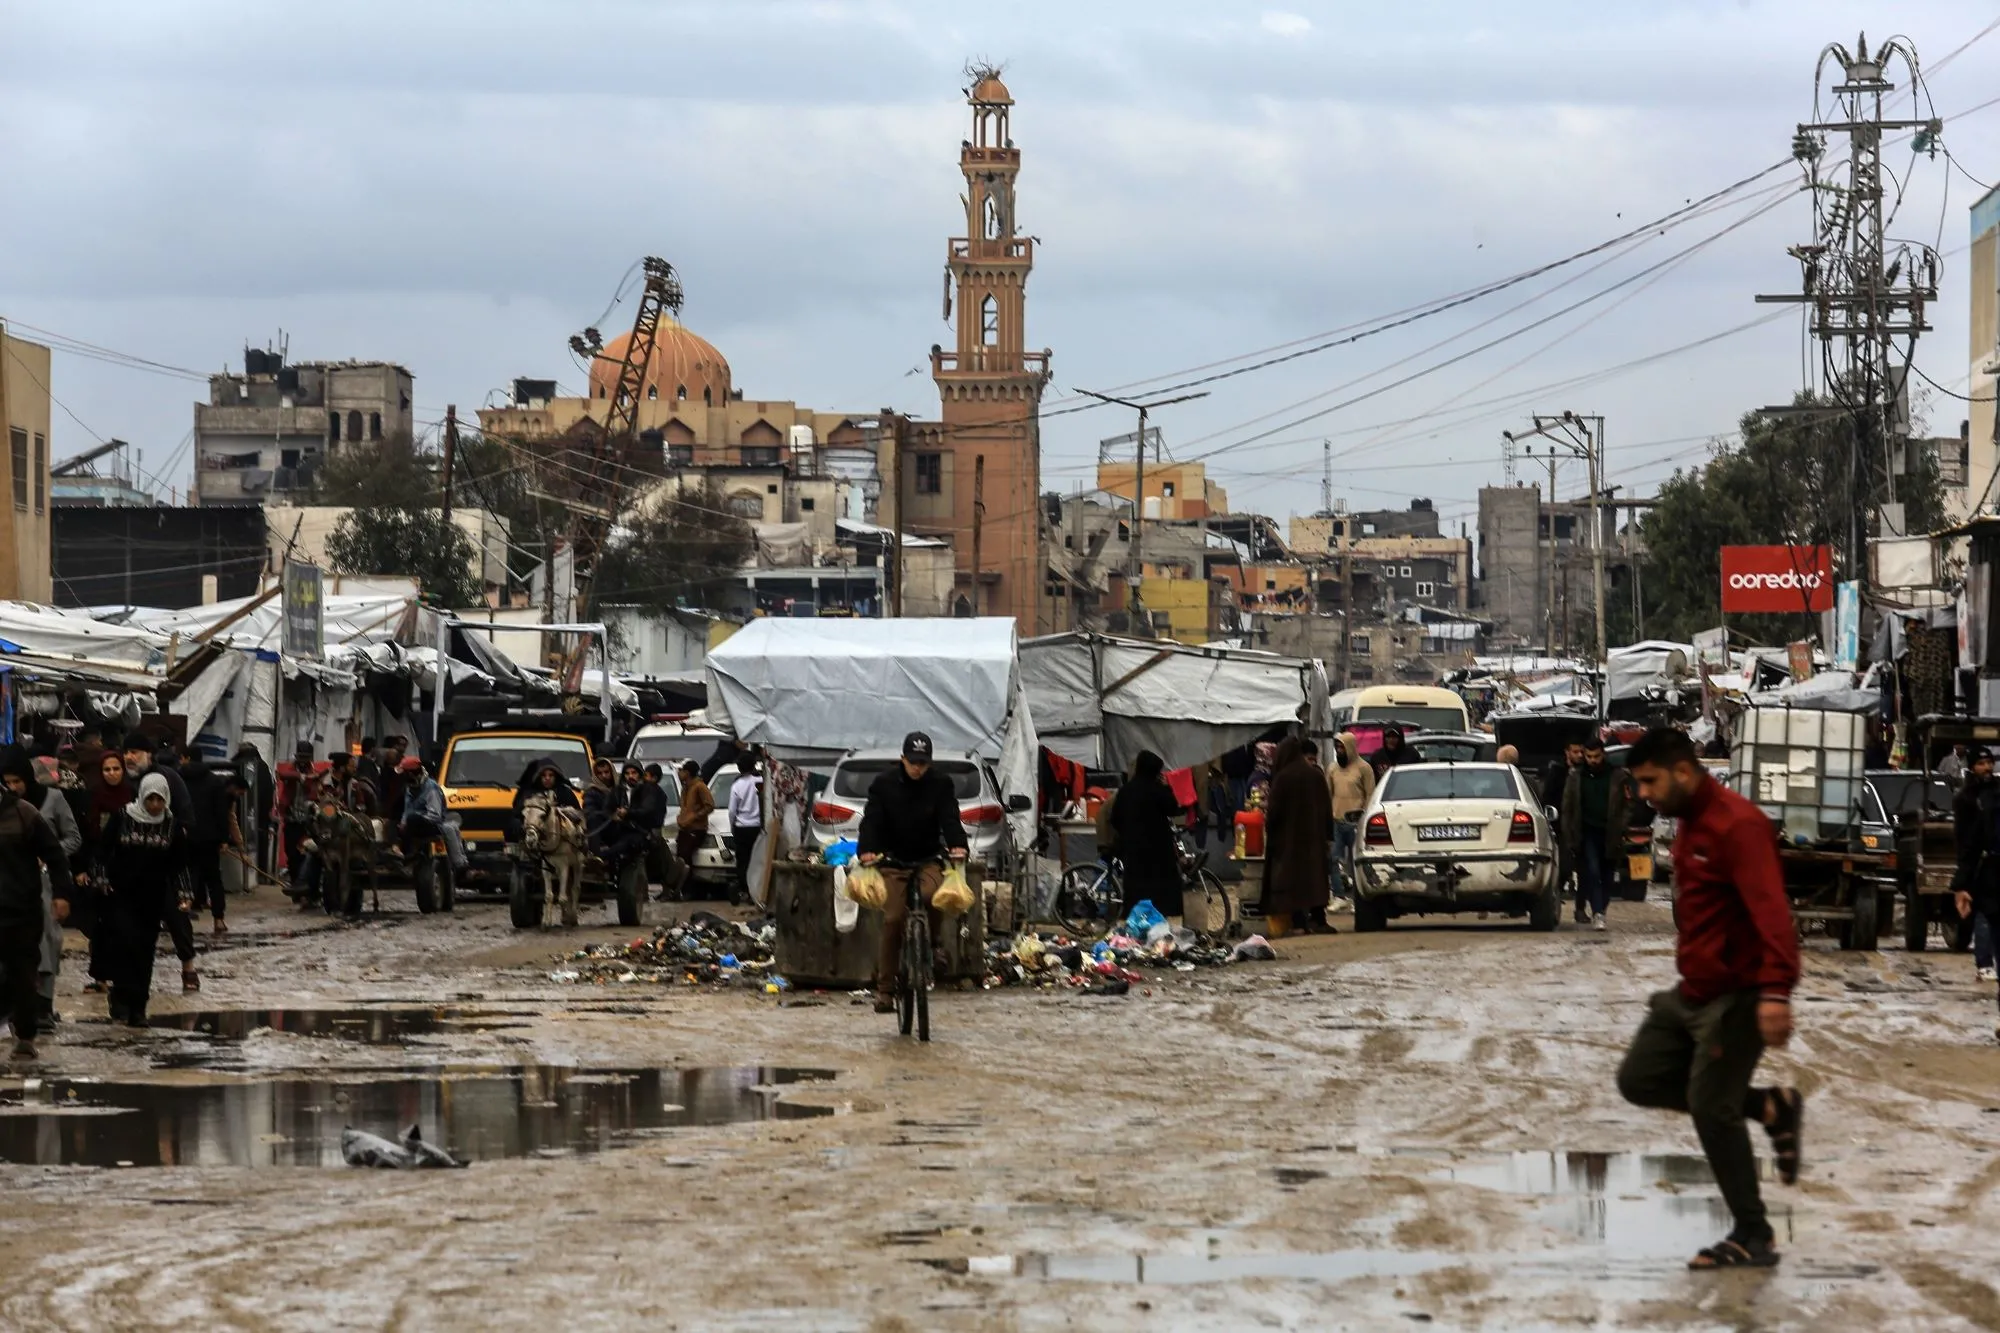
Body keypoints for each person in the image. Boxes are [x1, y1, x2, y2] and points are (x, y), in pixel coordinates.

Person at [1617, 727, 1804, 1270]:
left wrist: (1775, 992)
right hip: (1691, 992)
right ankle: (1770, 1107)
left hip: (1738, 996)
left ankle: (1754, 1234)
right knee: (1639, 1079)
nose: (1645, 794)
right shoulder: (1688, 823)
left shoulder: (1737, 825)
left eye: (1650, 781)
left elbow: (1773, 913)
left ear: (1682, 770)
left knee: (1711, 1109)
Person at [856, 732, 969, 1014]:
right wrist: (867, 849)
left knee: (933, 896)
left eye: (923, 763)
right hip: (893, 862)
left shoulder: (941, 784)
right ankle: (885, 990)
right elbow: (871, 820)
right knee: (893, 920)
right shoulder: (883, 785)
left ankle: (932, 945)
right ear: (902, 759)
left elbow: (950, 818)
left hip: (928, 860)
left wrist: (958, 845)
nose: (918, 768)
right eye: (913, 762)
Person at [93, 772, 188, 1029]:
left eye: (159, 800)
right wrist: (101, 880)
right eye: (151, 799)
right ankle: (120, 997)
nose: (155, 805)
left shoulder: (172, 826)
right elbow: (102, 851)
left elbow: (179, 865)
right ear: (142, 796)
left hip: (153, 899)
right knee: (124, 946)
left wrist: (184, 895)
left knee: (145, 953)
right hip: (121, 896)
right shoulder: (123, 817)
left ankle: (138, 1009)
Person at [1, 750, 76, 1060]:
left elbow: (56, 856)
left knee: (22, 972)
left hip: (22, 911)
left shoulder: (24, 814)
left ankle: (26, 1034)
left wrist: (62, 895)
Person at [120, 742, 199, 989]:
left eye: (135, 751)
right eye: (126, 752)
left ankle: (188, 968)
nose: (129, 757)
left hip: (165, 875)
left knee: (178, 921)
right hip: (134, 876)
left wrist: (184, 891)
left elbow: (183, 834)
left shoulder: (169, 780)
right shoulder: (123, 794)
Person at [26, 757, 82, 1030]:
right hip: (15, 881)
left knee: (48, 942)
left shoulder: (55, 799)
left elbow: (73, 838)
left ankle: (44, 1005)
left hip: (47, 883)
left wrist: (47, 855)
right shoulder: (10, 805)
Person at [1265, 737, 1335, 935]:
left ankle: (1298, 923)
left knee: (1293, 880)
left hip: (1289, 842)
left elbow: (1274, 812)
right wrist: (1328, 836)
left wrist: (1271, 834)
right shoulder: (1316, 775)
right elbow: (1326, 808)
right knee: (1316, 878)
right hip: (1315, 839)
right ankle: (1319, 919)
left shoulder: (1283, 778)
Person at [1107, 751, 1185, 916]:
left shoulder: (1126, 791)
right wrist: (1167, 788)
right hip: (1158, 851)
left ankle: (1136, 921)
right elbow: (1173, 808)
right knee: (1162, 891)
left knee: (1136, 891)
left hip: (1134, 851)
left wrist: (1128, 834)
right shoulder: (1157, 790)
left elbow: (1114, 818)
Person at [1563, 739, 1630, 930]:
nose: (1593, 760)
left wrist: (1622, 825)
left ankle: (1601, 909)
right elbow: (1567, 807)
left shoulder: (1617, 776)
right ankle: (1598, 913)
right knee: (1592, 872)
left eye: (1596, 756)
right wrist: (1570, 834)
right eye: (1589, 756)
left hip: (1610, 833)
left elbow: (1628, 804)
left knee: (1607, 875)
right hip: (1586, 833)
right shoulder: (1576, 777)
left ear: (1603, 755)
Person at [1950, 746, 2000, 986]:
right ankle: (1984, 964)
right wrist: (1962, 880)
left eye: (1989, 763)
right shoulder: (1966, 799)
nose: (1987, 768)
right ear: (1972, 767)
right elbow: (1965, 842)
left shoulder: (1997, 794)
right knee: (1984, 915)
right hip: (1983, 867)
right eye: (1981, 764)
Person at [1325, 732, 1376, 905]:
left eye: (1342, 747)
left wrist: (1365, 816)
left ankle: (1357, 898)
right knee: (1333, 859)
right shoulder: (1332, 768)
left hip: (1356, 822)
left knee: (1355, 861)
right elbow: (1328, 793)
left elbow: (1370, 794)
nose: (1339, 750)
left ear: (1351, 748)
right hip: (1336, 820)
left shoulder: (1364, 768)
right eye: (1337, 747)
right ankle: (1339, 896)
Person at [625, 761, 672, 895]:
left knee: (643, 861)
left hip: (649, 831)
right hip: (653, 830)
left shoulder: (650, 790)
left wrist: (629, 813)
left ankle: (642, 893)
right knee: (652, 861)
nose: (642, 778)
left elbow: (647, 810)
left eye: (646, 775)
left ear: (654, 778)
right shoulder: (655, 791)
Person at [727, 757, 764, 906]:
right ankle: (756, 891)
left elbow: (731, 811)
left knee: (743, 861)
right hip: (758, 827)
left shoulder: (738, 785)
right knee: (757, 860)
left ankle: (746, 891)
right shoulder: (762, 781)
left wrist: (732, 827)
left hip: (741, 827)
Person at [675, 761, 714, 885]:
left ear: (687, 772)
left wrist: (694, 816)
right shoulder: (686, 787)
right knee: (680, 856)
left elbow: (710, 805)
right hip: (685, 828)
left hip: (696, 828)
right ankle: (679, 887)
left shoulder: (699, 786)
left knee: (686, 856)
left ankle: (689, 887)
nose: (679, 773)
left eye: (681, 770)